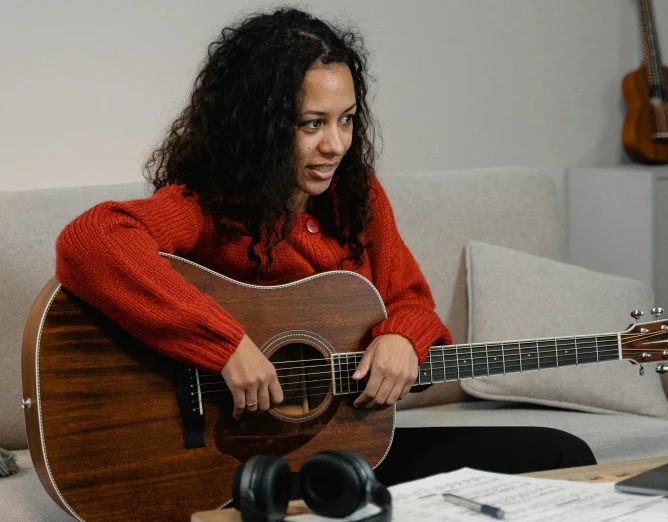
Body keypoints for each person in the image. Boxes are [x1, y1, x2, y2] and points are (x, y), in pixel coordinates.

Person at [55, 7, 595, 487]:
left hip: (344, 448)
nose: (336, 144)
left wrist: (403, 338)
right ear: (259, 127)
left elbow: (409, 299)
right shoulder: (208, 207)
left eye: (346, 120)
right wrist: (224, 346)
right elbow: (89, 241)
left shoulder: (358, 198)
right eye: (311, 124)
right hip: (236, 462)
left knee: (563, 452)